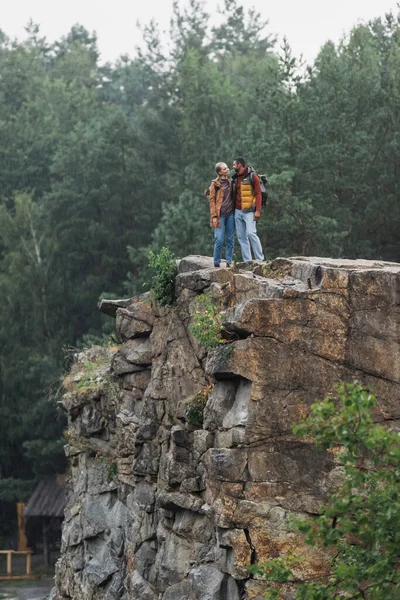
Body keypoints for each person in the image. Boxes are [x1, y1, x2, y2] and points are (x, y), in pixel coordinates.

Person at [232, 157, 264, 262]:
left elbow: (258, 194)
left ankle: (260, 259)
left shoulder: (252, 176)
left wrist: (258, 210)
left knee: (251, 233)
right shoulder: (235, 178)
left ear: (240, 165)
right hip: (237, 211)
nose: (233, 167)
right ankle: (247, 261)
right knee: (241, 237)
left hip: (249, 211)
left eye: (234, 165)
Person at [208, 162, 234, 267]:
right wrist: (214, 216)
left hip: (230, 215)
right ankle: (216, 262)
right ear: (219, 172)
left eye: (227, 168)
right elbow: (211, 201)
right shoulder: (214, 184)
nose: (227, 169)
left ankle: (229, 261)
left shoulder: (231, 182)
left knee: (230, 239)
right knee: (219, 239)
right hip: (220, 216)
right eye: (224, 169)